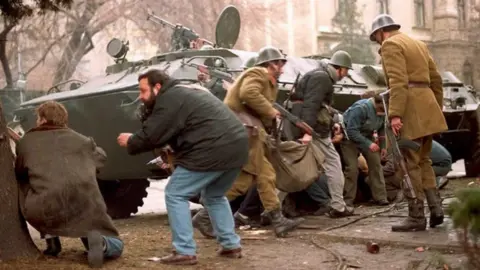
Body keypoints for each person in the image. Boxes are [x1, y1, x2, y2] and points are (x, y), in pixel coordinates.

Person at [117, 69, 248, 265]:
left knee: (175, 194)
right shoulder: (186, 91)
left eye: (143, 91)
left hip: (212, 149)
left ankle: (184, 250)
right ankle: (230, 245)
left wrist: (132, 141)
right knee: (214, 196)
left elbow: (153, 134)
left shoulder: (170, 99)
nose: (140, 97)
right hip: (238, 147)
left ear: (157, 87)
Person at [15, 101, 123, 268]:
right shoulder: (82, 140)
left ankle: (51, 242)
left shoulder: (26, 142)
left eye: (38, 118)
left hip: (44, 209)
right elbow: (101, 159)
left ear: (43, 119)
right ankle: (101, 244)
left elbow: (20, 170)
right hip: (83, 206)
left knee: (28, 183)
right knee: (109, 238)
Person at [370, 14, 448, 232]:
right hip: (427, 107)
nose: (378, 41)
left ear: (380, 32)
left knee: (409, 163)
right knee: (424, 161)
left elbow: (397, 81)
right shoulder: (419, 44)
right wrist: (435, 107)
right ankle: (436, 209)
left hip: (410, 111)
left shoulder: (390, 44)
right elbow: (437, 80)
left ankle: (416, 216)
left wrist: (395, 114)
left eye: (376, 37)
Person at [223, 46, 303, 237]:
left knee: (255, 177)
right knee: (262, 174)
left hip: (249, 130)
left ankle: (277, 219)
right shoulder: (258, 73)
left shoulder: (266, 79)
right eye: (279, 63)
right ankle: (207, 214)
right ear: (270, 64)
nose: (282, 68)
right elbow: (248, 94)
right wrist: (270, 111)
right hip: (246, 130)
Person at [290, 50, 353, 218]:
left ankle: (271, 210)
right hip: (315, 130)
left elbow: (321, 106)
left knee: (295, 165)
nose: (346, 75)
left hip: (312, 127)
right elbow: (311, 105)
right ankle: (339, 207)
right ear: (340, 68)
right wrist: (308, 132)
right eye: (346, 70)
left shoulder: (319, 75)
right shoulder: (322, 78)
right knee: (333, 163)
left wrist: (335, 122)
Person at [341, 95, 389, 207]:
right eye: (382, 109)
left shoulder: (384, 110)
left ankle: (380, 196)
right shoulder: (360, 108)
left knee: (376, 164)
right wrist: (369, 144)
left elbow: (381, 128)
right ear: (377, 104)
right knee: (352, 169)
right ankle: (348, 199)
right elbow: (351, 131)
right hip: (350, 139)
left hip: (367, 137)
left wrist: (383, 146)